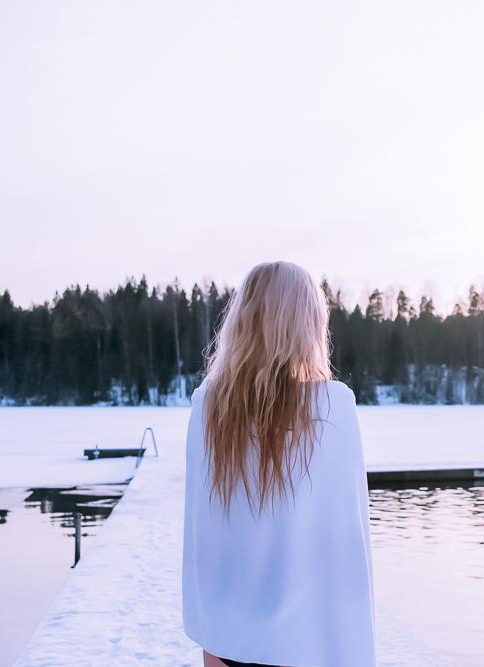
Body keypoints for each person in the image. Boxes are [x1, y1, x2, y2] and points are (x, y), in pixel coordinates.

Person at [182, 261, 376, 667]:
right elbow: (346, 540)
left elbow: (204, 531)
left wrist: (211, 635)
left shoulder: (208, 406)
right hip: (304, 641)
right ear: (309, 324)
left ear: (243, 320)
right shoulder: (332, 406)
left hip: (226, 633)